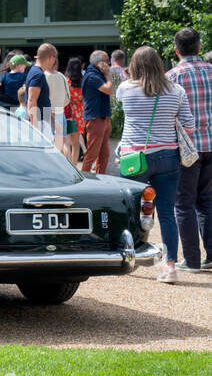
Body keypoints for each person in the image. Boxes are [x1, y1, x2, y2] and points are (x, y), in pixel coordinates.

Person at [116, 46, 195, 283]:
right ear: (159, 64)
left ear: (135, 65)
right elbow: (189, 126)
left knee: (130, 209)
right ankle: (170, 267)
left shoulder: (125, 89)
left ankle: (128, 258)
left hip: (134, 158)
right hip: (168, 156)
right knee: (167, 213)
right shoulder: (176, 90)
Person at [168, 28, 212, 272]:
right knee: (207, 201)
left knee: (184, 204)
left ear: (177, 50)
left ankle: (192, 261)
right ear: (199, 47)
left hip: (186, 149)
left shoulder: (172, 77)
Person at [80, 50, 115, 174]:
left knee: (104, 155)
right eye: (106, 61)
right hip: (95, 118)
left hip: (103, 116)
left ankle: (101, 179)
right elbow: (109, 90)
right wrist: (107, 74)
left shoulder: (97, 74)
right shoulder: (92, 75)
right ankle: (83, 180)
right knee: (92, 154)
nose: (108, 64)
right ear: (99, 63)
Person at [64, 57, 86, 163]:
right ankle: (74, 165)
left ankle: (66, 166)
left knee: (66, 143)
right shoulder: (83, 81)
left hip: (67, 113)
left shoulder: (65, 80)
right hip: (80, 114)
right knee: (76, 144)